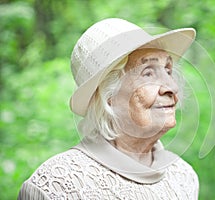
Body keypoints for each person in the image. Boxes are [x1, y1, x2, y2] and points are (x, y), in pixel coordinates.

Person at [18, 18, 199, 199]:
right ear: (108, 96)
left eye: (167, 70)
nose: (172, 87)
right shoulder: (55, 185)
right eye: (148, 73)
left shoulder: (183, 176)